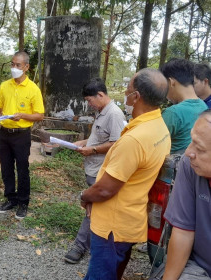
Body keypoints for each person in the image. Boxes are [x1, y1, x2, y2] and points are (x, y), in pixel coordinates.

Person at [80, 68, 171, 280]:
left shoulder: (135, 139)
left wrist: (83, 196)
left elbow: (105, 189)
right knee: (115, 271)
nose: (125, 94)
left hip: (113, 224)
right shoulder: (160, 128)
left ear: (136, 96)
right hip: (131, 219)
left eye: (128, 90)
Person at [64, 78, 126, 264]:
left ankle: (80, 246)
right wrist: (82, 143)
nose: (89, 104)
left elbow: (116, 144)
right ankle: (95, 244)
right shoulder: (101, 112)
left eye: (90, 100)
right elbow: (98, 138)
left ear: (100, 95)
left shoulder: (114, 114)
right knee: (95, 209)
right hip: (92, 168)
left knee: (93, 208)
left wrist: (92, 150)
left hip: (101, 170)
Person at [0, 51, 44, 220]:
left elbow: (39, 115)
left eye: (18, 65)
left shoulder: (33, 89)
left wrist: (22, 115)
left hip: (21, 135)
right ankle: (10, 199)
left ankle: (23, 203)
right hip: (4, 133)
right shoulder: (5, 85)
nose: (14, 68)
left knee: (22, 169)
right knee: (6, 168)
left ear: (26, 67)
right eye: (12, 64)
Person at [162, 109, 211, 280]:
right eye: (192, 141)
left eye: (200, 148)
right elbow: (183, 231)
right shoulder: (189, 165)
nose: (189, 152)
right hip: (199, 268)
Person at [160, 58, 208, 154]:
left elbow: (152, 145)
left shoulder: (172, 113)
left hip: (175, 167)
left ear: (171, 82)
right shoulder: (204, 106)